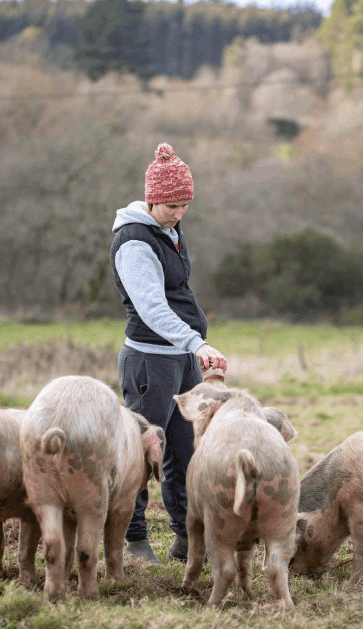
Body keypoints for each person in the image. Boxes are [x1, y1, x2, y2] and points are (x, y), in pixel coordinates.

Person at [110, 142, 229, 565]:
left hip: (179, 358)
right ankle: (135, 541)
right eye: (172, 205)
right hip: (149, 361)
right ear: (153, 198)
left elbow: (179, 294)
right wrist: (197, 342)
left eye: (185, 206)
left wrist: (193, 346)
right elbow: (153, 307)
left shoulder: (169, 230)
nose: (179, 214)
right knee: (143, 451)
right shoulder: (134, 241)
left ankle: (185, 538)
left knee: (185, 450)